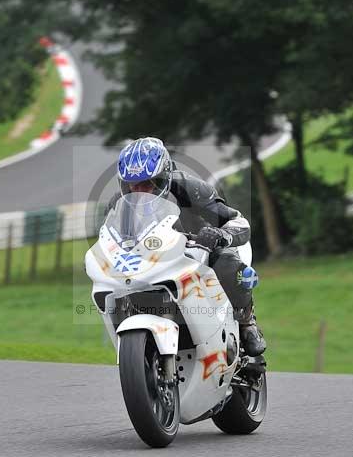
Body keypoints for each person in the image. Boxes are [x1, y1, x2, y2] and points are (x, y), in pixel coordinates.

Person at [112, 136, 266, 358]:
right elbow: (109, 237)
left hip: (200, 250)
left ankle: (246, 322)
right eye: (131, 185)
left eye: (147, 184)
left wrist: (220, 235)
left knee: (226, 263)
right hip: (153, 259)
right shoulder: (120, 204)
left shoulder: (189, 188)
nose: (139, 191)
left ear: (163, 178)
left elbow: (238, 221)